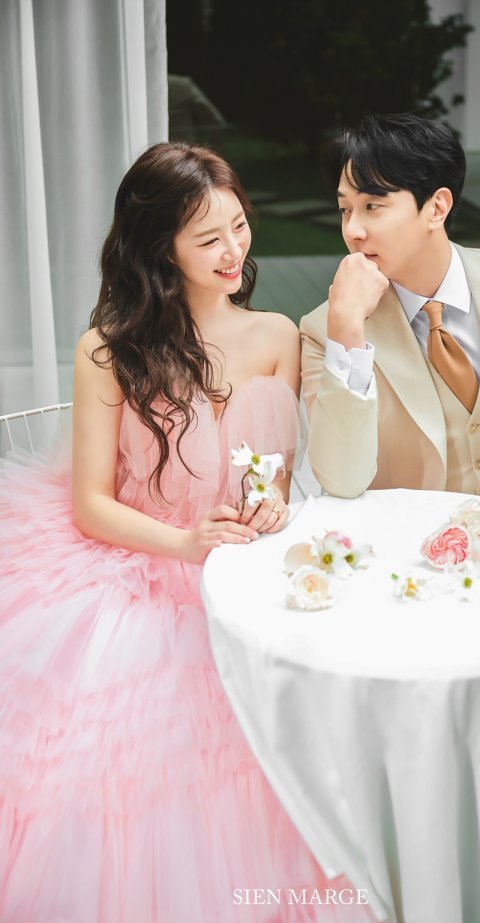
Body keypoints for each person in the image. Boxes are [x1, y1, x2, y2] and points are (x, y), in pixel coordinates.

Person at [0, 143, 376, 923]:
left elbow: (271, 473)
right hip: (138, 566)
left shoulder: (276, 334)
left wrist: (269, 506)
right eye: (208, 238)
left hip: (243, 559)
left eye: (239, 226)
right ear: (160, 247)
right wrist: (184, 544)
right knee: (138, 766)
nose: (234, 250)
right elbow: (90, 504)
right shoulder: (109, 349)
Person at [300, 113, 480, 533]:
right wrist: (348, 330)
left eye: (372, 206)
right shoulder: (324, 330)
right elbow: (341, 480)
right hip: (413, 554)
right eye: (345, 209)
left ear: (437, 207)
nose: (353, 230)